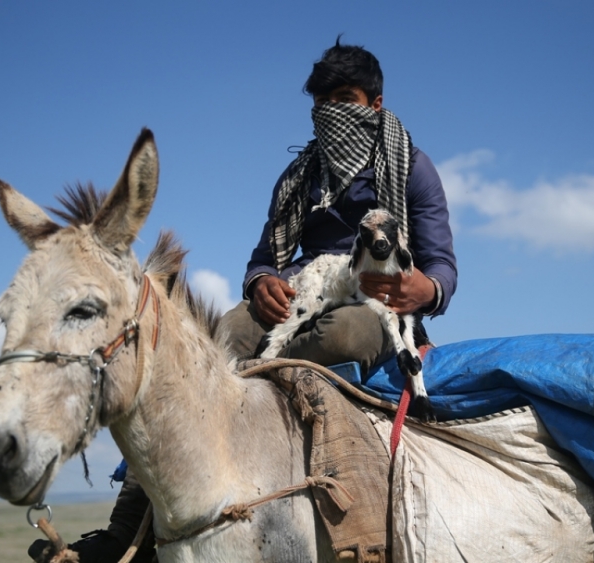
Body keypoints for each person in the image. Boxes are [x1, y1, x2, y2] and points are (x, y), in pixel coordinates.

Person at [29, 37, 457, 563]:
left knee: (339, 336)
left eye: (345, 98)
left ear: (375, 104)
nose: (333, 114)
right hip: (304, 291)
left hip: (373, 304)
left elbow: (442, 267)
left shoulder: (413, 167)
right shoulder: (299, 177)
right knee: (218, 339)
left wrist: (425, 290)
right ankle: (126, 531)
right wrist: (261, 283)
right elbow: (263, 257)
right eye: (323, 105)